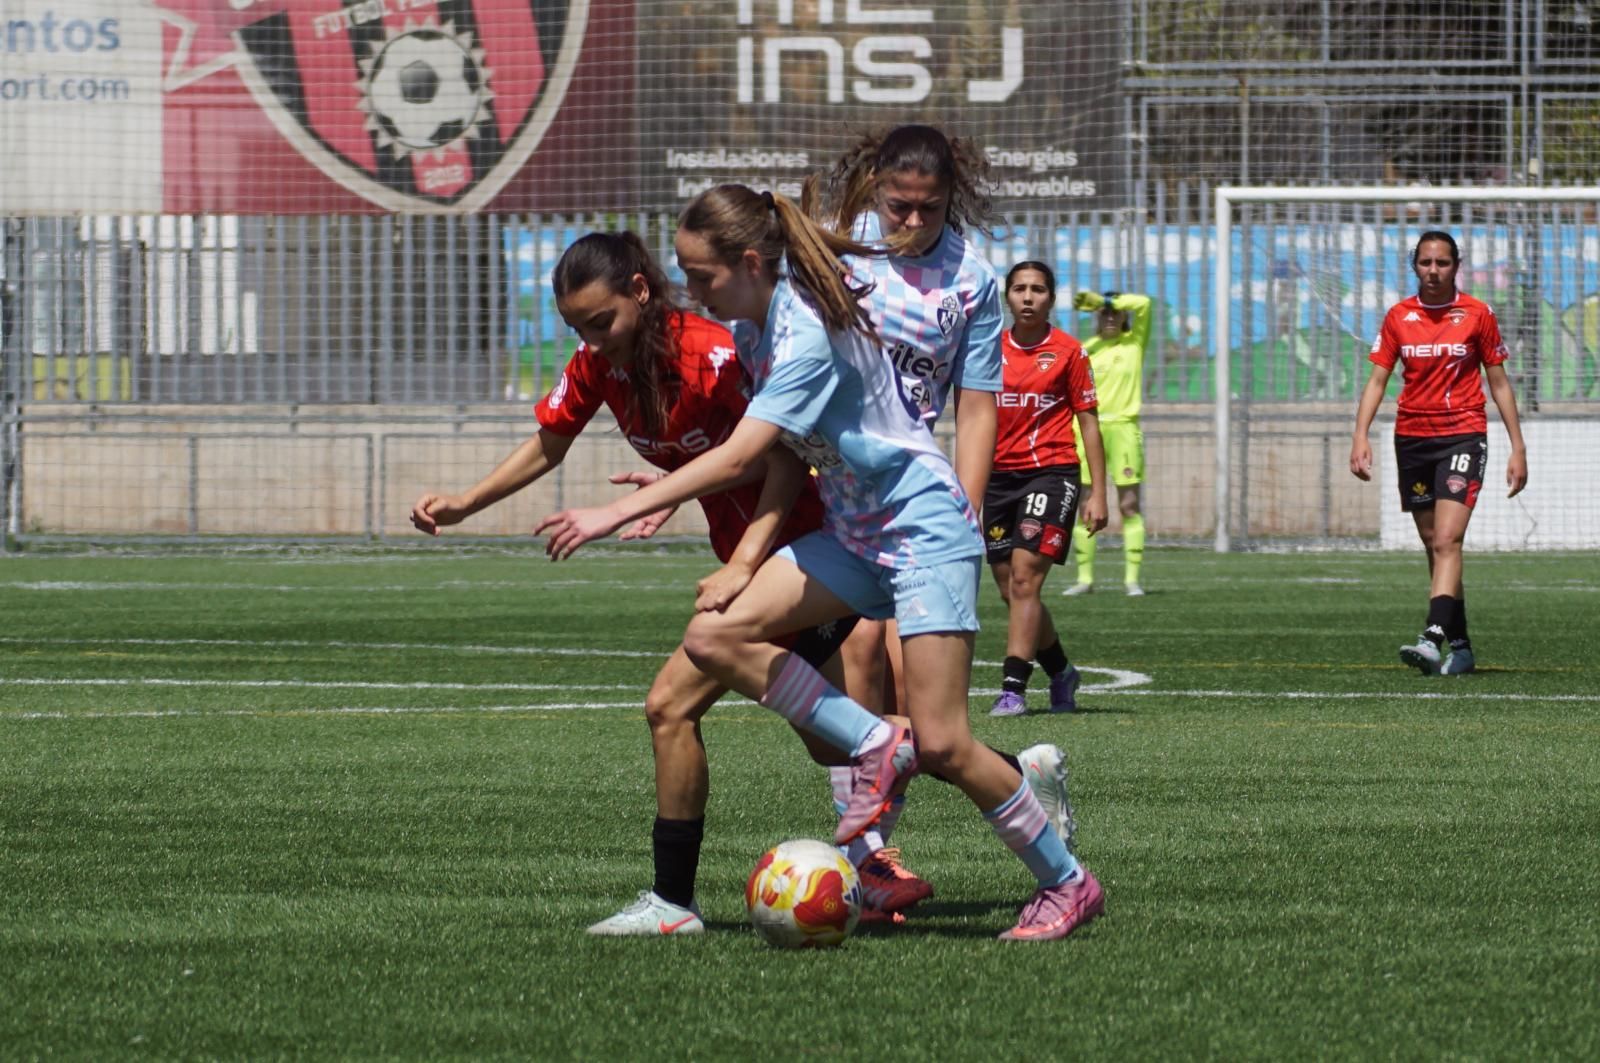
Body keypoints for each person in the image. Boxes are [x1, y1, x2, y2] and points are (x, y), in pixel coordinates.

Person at [538, 183, 1104, 942]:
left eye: (701, 276)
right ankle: (876, 743)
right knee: (713, 636)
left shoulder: (802, 334)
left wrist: (612, 511)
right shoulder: (753, 333)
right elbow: (777, 458)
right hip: (854, 533)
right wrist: (741, 559)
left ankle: (1068, 882)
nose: (692, 292)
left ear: (747, 263)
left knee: (944, 743)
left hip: (922, 530)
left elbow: (741, 449)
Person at [410, 231, 856, 937]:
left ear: (640, 292)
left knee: (672, 704)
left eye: (601, 321)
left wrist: (715, 541)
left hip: (802, 552)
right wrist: (466, 503)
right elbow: (549, 442)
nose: (592, 339)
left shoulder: (714, 355)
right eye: (577, 327)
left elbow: (780, 458)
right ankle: (1012, 780)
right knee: (842, 741)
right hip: (757, 563)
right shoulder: (601, 366)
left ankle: (674, 903)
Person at [1350, 230, 1528, 676]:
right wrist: (1360, 434)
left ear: (1456, 265)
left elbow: (1499, 382)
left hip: (1463, 435)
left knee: (1448, 539)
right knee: (1434, 546)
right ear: (1415, 265)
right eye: (1426, 263)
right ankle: (1461, 647)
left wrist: (1517, 446)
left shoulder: (1477, 314)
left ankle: (1431, 638)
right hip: (1412, 439)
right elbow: (1377, 380)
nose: (1434, 271)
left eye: (1442, 263)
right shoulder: (1398, 317)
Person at [986, 262, 1108, 717]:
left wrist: (1098, 492)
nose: (1028, 297)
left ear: (1051, 298)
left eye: (1038, 289)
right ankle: (1061, 670)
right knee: (1010, 589)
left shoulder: (1069, 352)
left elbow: (1089, 424)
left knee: (1024, 578)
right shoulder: (985, 349)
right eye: (1020, 289)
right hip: (998, 478)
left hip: (1051, 473)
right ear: (1008, 297)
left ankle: (1013, 688)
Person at [1063, 288, 1154, 597]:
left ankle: (1132, 580)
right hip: (1089, 430)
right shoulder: (1086, 349)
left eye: (1116, 311)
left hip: (1125, 430)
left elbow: (1144, 302)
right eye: (1105, 313)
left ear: (1125, 315)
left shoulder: (1134, 343)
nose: (1111, 316)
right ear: (1096, 319)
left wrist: (1105, 301)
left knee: (1129, 504)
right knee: (1086, 504)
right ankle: (1085, 580)